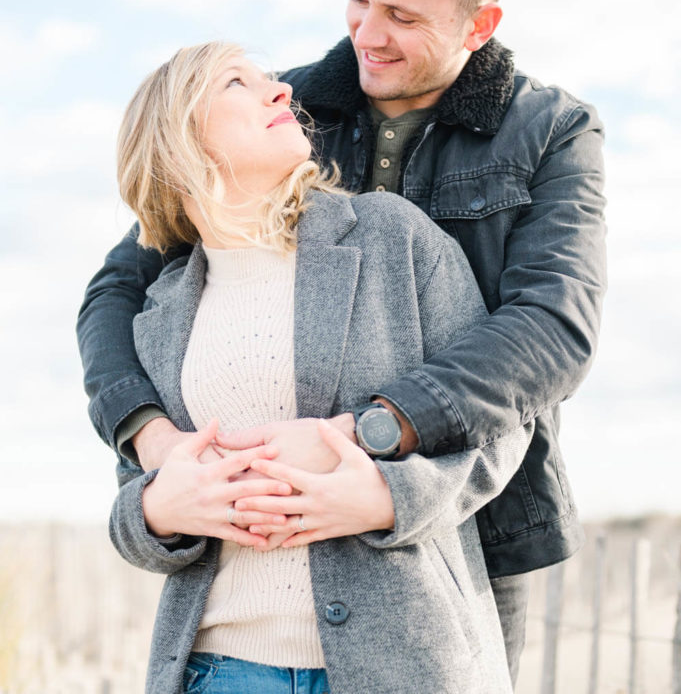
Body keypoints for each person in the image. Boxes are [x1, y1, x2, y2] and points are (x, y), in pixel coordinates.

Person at [78, 0, 607, 685]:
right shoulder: (281, 117)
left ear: (479, 23)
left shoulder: (548, 129)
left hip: (467, 518)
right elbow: (119, 288)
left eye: (402, 16)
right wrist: (153, 442)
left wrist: (367, 435)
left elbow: (551, 327)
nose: (368, 31)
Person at [109, 41, 533, 694]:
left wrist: (387, 498)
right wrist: (158, 510)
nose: (280, 91)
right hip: (219, 672)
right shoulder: (158, 311)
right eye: (236, 84)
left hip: (406, 663)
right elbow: (130, 507)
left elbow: (499, 421)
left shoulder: (393, 238)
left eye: (269, 81)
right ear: (175, 138)